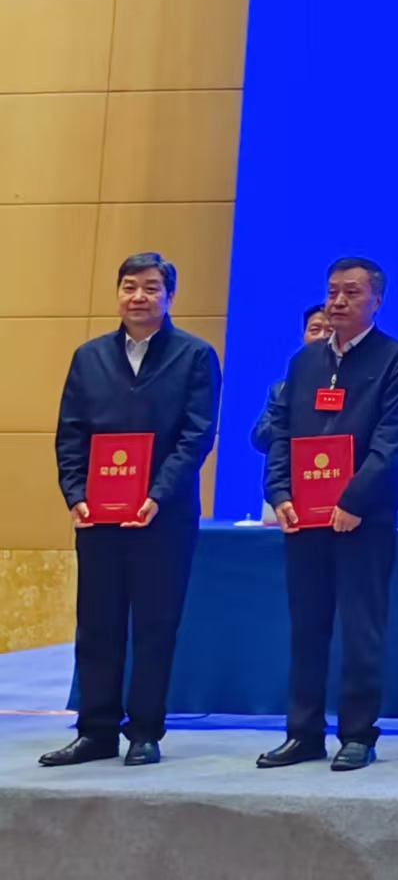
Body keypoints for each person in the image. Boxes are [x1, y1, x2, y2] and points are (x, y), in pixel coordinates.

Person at [42, 253, 221, 768]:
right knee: (97, 625)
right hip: (99, 515)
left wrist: (156, 495)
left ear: (169, 296)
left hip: (164, 516)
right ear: (118, 292)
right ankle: (95, 731)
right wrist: (75, 493)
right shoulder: (89, 356)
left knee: (154, 625)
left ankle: (144, 730)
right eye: (129, 286)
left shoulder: (194, 355)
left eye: (150, 287)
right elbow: (71, 432)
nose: (138, 296)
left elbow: (196, 436)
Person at [257, 257, 398, 773]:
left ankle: (357, 734)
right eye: (332, 291)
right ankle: (303, 733)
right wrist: (279, 492)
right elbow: (281, 434)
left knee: (360, 629)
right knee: (307, 629)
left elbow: (391, 443)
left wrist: (353, 502)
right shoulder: (304, 362)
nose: (338, 301)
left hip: (363, 521)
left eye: (351, 292)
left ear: (377, 300)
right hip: (305, 519)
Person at [250, 305, 332, 457]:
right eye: (315, 330)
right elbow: (260, 438)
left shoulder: (355, 383)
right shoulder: (282, 388)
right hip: (294, 465)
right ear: (304, 338)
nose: (322, 336)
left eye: (330, 331)